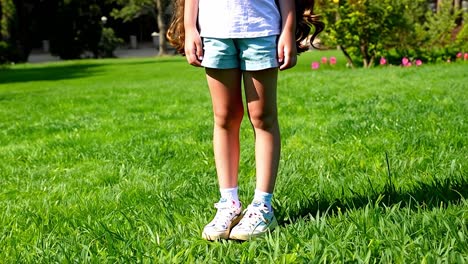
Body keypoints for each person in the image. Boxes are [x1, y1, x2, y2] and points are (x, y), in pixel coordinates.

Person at [167, 0, 323, 241]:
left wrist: (288, 30)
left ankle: (263, 207)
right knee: (225, 117)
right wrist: (190, 28)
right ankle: (228, 203)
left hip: (261, 29)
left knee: (262, 117)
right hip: (215, 31)